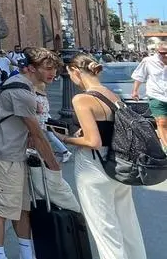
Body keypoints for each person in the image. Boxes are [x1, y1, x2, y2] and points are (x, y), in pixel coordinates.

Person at [52, 53, 146, 259]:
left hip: (94, 165)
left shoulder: (82, 99)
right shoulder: (111, 94)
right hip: (119, 160)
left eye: (70, 74)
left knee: (104, 229)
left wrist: (65, 138)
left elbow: (93, 141)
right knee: (127, 223)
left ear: (75, 71)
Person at [0, 47, 61, 259]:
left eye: (54, 68)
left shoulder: (24, 87)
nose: (52, 73)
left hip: (16, 154)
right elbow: (37, 134)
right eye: (47, 68)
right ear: (30, 67)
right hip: (5, 156)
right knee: (1, 209)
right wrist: (54, 166)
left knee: (21, 207)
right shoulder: (21, 92)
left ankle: (26, 253)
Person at [131, 41, 167, 150]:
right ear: (157, 51)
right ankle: (166, 148)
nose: (165, 55)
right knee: (161, 122)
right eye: (162, 53)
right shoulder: (148, 61)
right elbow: (139, 76)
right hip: (156, 95)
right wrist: (135, 91)